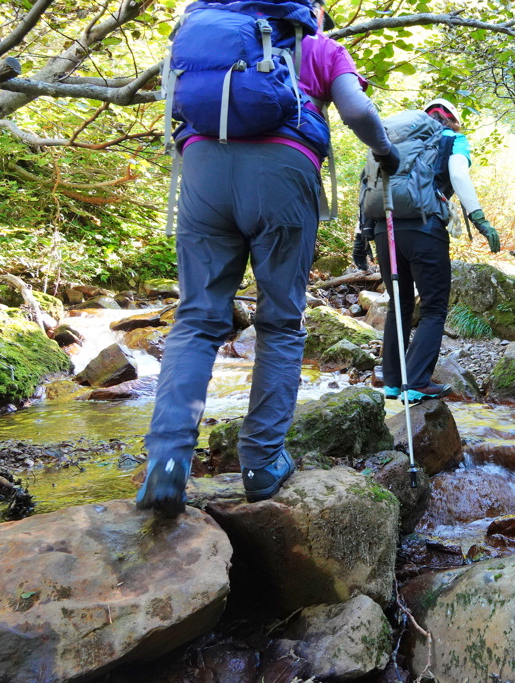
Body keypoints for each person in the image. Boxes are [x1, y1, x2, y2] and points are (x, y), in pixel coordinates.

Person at [136, 0, 400, 515]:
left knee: (197, 319)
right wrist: (385, 152)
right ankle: (261, 462)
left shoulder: (204, 36)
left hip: (203, 167)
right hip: (283, 171)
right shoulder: (318, 46)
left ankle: (166, 463)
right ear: (309, 10)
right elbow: (358, 112)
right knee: (280, 321)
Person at [372, 98, 500, 405]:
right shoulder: (453, 139)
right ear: (452, 120)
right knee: (433, 307)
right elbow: (458, 175)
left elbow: (371, 183)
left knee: (399, 304)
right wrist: (479, 219)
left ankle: (392, 382)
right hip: (425, 229)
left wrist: (362, 236)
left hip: (383, 228)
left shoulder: (395, 139)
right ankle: (416, 382)